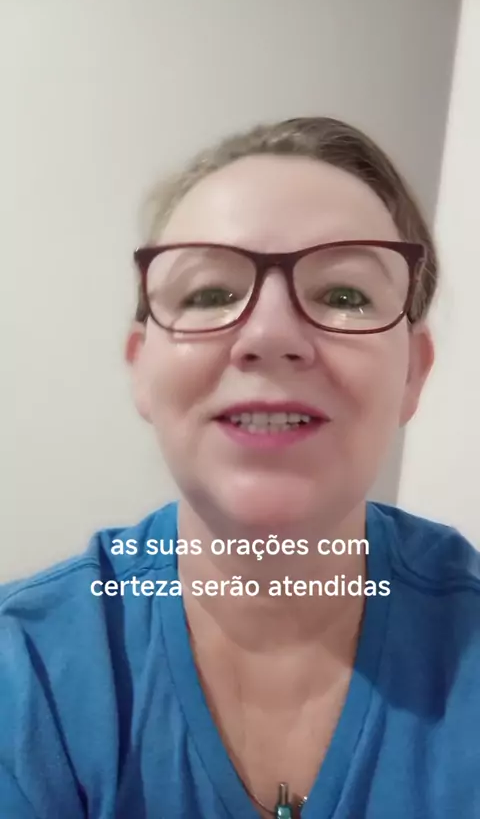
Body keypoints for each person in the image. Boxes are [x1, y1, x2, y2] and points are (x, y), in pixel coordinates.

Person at [1, 117, 479, 819]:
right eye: (209, 294)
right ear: (141, 368)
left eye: (344, 295)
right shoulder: (25, 675)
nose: (270, 334)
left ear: (413, 373)